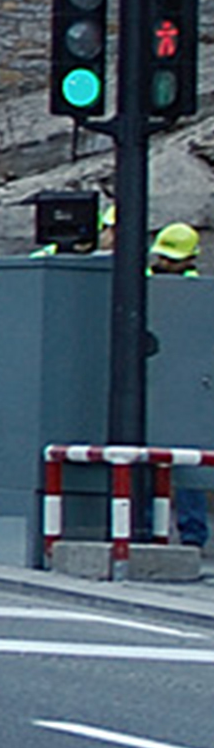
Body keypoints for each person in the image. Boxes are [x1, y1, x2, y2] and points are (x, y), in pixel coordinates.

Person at [154, 222, 207, 546]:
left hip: (178, 387)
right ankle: (147, 529)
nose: (168, 264)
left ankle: (192, 535)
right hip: (162, 386)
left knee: (188, 468)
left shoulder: (196, 290)